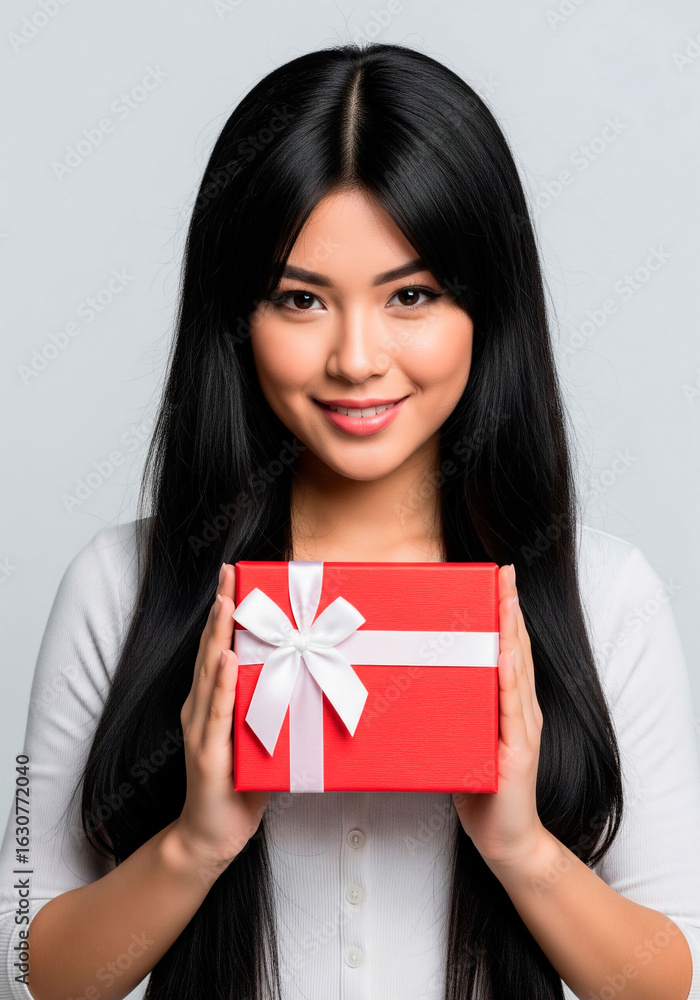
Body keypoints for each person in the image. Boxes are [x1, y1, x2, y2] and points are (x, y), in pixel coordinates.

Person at [1, 39, 699, 1000]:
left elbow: (671, 978)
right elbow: (23, 961)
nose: (358, 358)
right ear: (236, 318)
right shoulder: (121, 585)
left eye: (412, 295)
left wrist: (522, 849)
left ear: (487, 308)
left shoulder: (603, 596)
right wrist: (196, 844)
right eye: (301, 299)